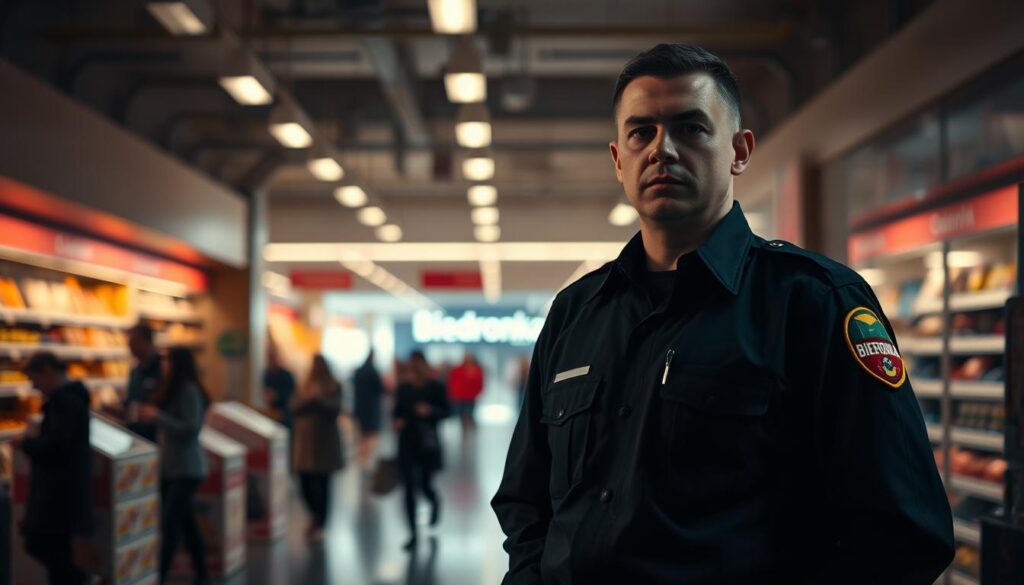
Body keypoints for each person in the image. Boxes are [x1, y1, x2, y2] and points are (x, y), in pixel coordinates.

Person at [491, 44, 954, 584]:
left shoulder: (814, 303)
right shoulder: (577, 312)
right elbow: (526, 501)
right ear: (618, 160)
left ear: (739, 150)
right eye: (641, 132)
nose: (662, 150)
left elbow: (903, 533)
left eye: (691, 128)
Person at [16, 352, 92, 585]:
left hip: (56, 496)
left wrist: (26, 443)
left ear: (47, 371)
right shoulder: (74, 398)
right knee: (58, 554)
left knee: (51, 552)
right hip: (67, 494)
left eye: (34, 379)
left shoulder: (63, 402)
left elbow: (57, 447)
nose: (34, 387)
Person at [136, 347, 210, 585]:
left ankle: (160, 575)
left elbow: (191, 427)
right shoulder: (172, 389)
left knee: (170, 524)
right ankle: (202, 573)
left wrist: (158, 417)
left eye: (168, 359)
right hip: (171, 468)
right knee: (186, 524)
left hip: (187, 469)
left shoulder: (188, 390)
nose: (164, 364)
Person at [393, 350, 450, 551]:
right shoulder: (404, 388)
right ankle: (413, 534)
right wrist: (398, 421)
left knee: (424, 485)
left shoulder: (436, 387)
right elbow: (397, 412)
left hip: (427, 444)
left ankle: (434, 501)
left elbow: (447, 411)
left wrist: (430, 411)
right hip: (407, 442)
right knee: (408, 487)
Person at [289, 353, 344, 541]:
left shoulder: (333, 386)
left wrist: (319, 398)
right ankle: (314, 516)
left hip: (325, 442)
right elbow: (294, 406)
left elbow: (336, 408)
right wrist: (309, 399)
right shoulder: (304, 385)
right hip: (305, 443)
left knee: (323, 485)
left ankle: (320, 522)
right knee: (304, 484)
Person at [121, 323, 162, 441]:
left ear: (147, 341)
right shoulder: (135, 371)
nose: (129, 346)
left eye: (133, 342)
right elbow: (132, 399)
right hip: (135, 434)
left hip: (156, 438)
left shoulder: (163, 370)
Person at [353, 350, 385, 467]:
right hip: (371, 408)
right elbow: (381, 389)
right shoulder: (373, 372)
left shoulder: (358, 371)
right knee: (371, 434)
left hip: (360, 407)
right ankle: (365, 458)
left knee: (363, 434)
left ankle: (362, 457)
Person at [447, 353, 484, 433]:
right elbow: (453, 382)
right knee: (461, 415)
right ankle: (465, 430)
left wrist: (477, 392)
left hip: (471, 396)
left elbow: (480, 383)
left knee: (469, 414)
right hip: (460, 396)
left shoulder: (477, 370)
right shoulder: (458, 369)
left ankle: (469, 430)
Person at [262, 343, 296, 429]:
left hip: (285, 416)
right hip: (272, 414)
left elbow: (292, 395)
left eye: (272, 357)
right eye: (269, 357)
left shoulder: (286, 375)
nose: (270, 360)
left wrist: (277, 395)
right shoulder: (267, 374)